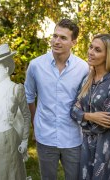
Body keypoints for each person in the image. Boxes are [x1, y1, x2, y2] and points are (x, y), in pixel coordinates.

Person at [24, 18, 89, 180]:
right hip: (44, 135)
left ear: (73, 42)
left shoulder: (83, 68)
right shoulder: (35, 66)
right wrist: (35, 124)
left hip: (73, 136)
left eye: (63, 38)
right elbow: (29, 97)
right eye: (55, 36)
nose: (56, 41)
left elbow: (90, 98)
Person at [70, 34, 110, 179]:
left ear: (108, 55)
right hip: (87, 148)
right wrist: (89, 116)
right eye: (91, 47)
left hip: (109, 147)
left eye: (97, 50)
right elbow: (73, 110)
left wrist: (82, 120)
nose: (91, 52)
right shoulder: (87, 79)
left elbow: (107, 122)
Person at [0, 40, 31, 180]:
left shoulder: (16, 88)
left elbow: (26, 115)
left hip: (9, 139)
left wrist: (24, 141)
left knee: (11, 174)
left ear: (5, 69)